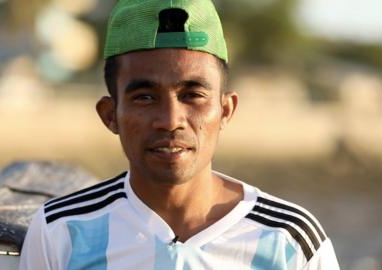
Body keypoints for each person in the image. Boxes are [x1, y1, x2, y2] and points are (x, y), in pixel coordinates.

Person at [19, 0, 340, 269]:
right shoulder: (61, 231)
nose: (171, 121)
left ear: (226, 110)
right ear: (109, 115)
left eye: (192, 95)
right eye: (145, 97)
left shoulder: (289, 240)